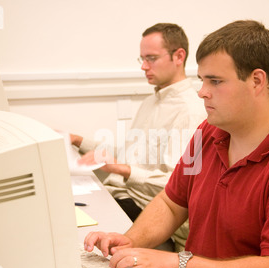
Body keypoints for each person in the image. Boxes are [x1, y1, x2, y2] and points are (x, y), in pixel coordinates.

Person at [83, 20, 269, 268]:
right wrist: (131, 241)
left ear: (257, 81)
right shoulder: (212, 131)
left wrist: (176, 264)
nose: (202, 92)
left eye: (216, 81)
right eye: (202, 80)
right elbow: (172, 203)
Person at [70, 23, 205, 248]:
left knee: (77, 240)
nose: (144, 66)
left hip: (147, 212)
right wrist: (78, 140)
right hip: (123, 197)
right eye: (141, 58)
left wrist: (121, 169)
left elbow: (178, 186)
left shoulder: (191, 112)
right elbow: (129, 154)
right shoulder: (151, 102)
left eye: (151, 58)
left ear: (179, 56)